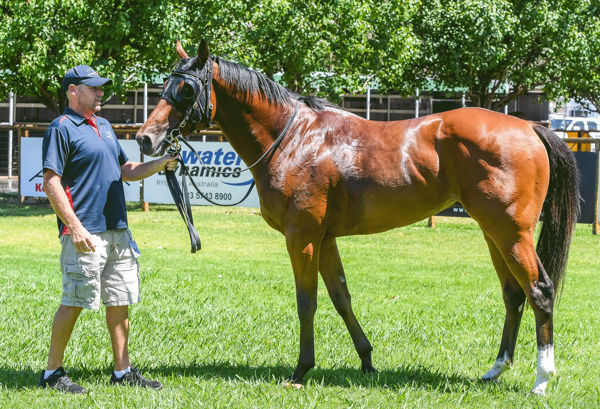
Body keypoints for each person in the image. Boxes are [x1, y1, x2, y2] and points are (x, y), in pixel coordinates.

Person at [39, 65, 177, 393]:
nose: (102, 92)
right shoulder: (61, 128)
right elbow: (50, 182)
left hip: (118, 229)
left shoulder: (102, 125)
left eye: (102, 88)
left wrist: (161, 163)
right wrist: (74, 227)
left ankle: (122, 370)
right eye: (95, 88)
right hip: (85, 233)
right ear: (73, 90)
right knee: (74, 300)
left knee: (120, 299)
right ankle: (51, 373)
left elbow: (125, 169)